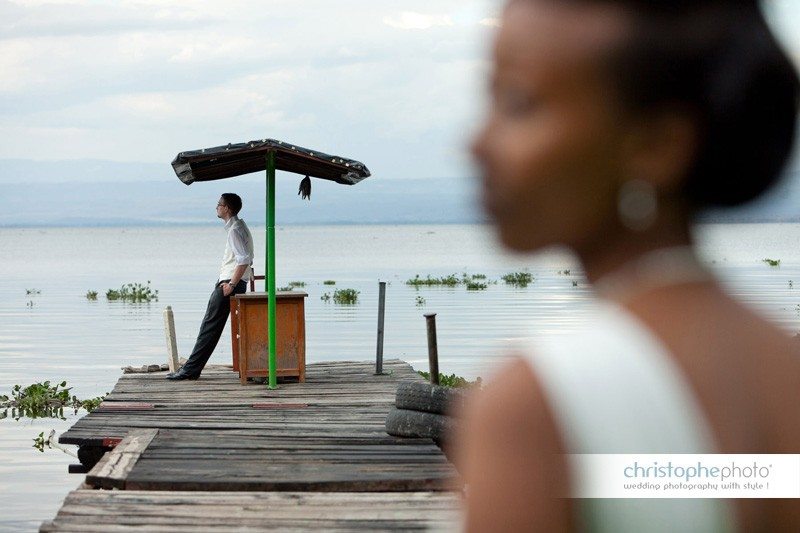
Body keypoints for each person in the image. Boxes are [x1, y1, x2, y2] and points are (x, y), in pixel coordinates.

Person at [457, 0, 800, 531]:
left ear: (656, 145)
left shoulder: (539, 405)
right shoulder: (783, 366)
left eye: (519, 103)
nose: (475, 143)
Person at [167, 193, 254, 381]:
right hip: (235, 283)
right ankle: (192, 369)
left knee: (209, 327)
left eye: (219, 204)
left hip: (229, 284)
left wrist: (231, 284)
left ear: (227, 208)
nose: (217, 207)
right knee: (211, 327)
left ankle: (190, 370)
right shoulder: (239, 226)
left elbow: (244, 259)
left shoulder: (234, 230)